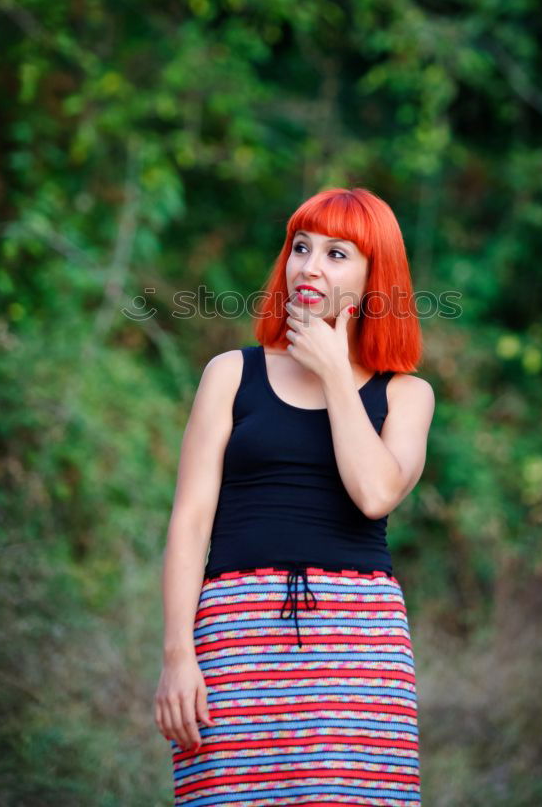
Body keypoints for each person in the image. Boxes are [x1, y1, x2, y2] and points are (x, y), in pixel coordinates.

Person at [154, 186, 435, 805]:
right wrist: (178, 654)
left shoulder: (407, 395)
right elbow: (190, 520)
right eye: (301, 247)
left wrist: (337, 372)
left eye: (338, 255)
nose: (309, 266)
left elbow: (375, 493)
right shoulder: (231, 374)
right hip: (233, 635)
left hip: (359, 644)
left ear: (374, 276)